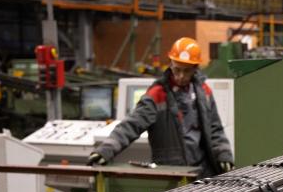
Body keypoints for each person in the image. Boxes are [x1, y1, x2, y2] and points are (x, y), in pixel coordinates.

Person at [87, 37, 234, 177]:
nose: (181, 76)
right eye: (177, 69)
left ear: (196, 68)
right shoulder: (157, 94)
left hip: (203, 171)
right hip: (173, 173)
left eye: (187, 71)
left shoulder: (204, 91)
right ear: (170, 64)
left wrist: (224, 154)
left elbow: (215, 129)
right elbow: (131, 125)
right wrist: (106, 150)